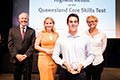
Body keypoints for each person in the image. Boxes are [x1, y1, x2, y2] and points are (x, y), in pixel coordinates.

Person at [52, 13, 95, 80]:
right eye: (71, 22)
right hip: (65, 73)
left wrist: (82, 65)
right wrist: (64, 63)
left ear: (78, 23)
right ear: (67, 24)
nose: (73, 24)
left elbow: (92, 55)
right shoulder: (61, 38)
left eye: (75, 21)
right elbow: (54, 55)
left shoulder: (85, 38)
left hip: (80, 73)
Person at [8, 12, 36, 80]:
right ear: (19, 19)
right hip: (16, 59)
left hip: (27, 60)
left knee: (27, 78)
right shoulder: (12, 30)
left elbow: (33, 45)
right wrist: (16, 55)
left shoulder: (32, 31)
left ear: (28, 20)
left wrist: (25, 55)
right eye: (22, 18)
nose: (24, 20)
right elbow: (10, 44)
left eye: (26, 18)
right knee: (16, 78)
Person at [84, 15, 107, 80]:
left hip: (98, 61)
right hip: (87, 61)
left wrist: (96, 54)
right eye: (88, 22)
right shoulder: (84, 34)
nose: (91, 23)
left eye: (92, 21)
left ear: (96, 22)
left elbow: (103, 47)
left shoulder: (102, 34)